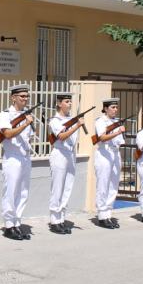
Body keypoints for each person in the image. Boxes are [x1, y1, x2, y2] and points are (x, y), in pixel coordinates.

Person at [0, 84, 36, 240]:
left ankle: (17, 222)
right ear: (13, 98)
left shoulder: (27, 114)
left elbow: (31, 135)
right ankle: (9, 225)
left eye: (27, 96)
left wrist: (28, 123)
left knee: (23, 191)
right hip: (13, 156)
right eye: (22, 96)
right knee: (11, 191)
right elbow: (7, 133)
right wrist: (25, 123)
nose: (25, 99)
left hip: (25, 156)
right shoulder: (5, 114)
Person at [47, 92, 85, 235]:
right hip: (59, 153)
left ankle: (61, 217)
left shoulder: (71, 119)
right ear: (59, 103)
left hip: (70, 154)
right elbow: (61, 136)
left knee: (67, 187)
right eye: (67, 101)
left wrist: (75, 123)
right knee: (57, 187)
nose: (69, 104)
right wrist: (77, 126)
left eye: (70, 101)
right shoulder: (55, 120)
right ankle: (54, 220)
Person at [93, 97, 125, 229]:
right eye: (113, 107)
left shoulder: (116, 121)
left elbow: (119, 140)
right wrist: (117, 131)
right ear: (106, 109)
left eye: (116, 107)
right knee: (103, 184)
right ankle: (101, 215)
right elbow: (102, 137)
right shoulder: (101, 121)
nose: (115, 110)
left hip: (115, 153)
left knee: (113, 184)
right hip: (104, 154)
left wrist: (119, 132)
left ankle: (108, 213)